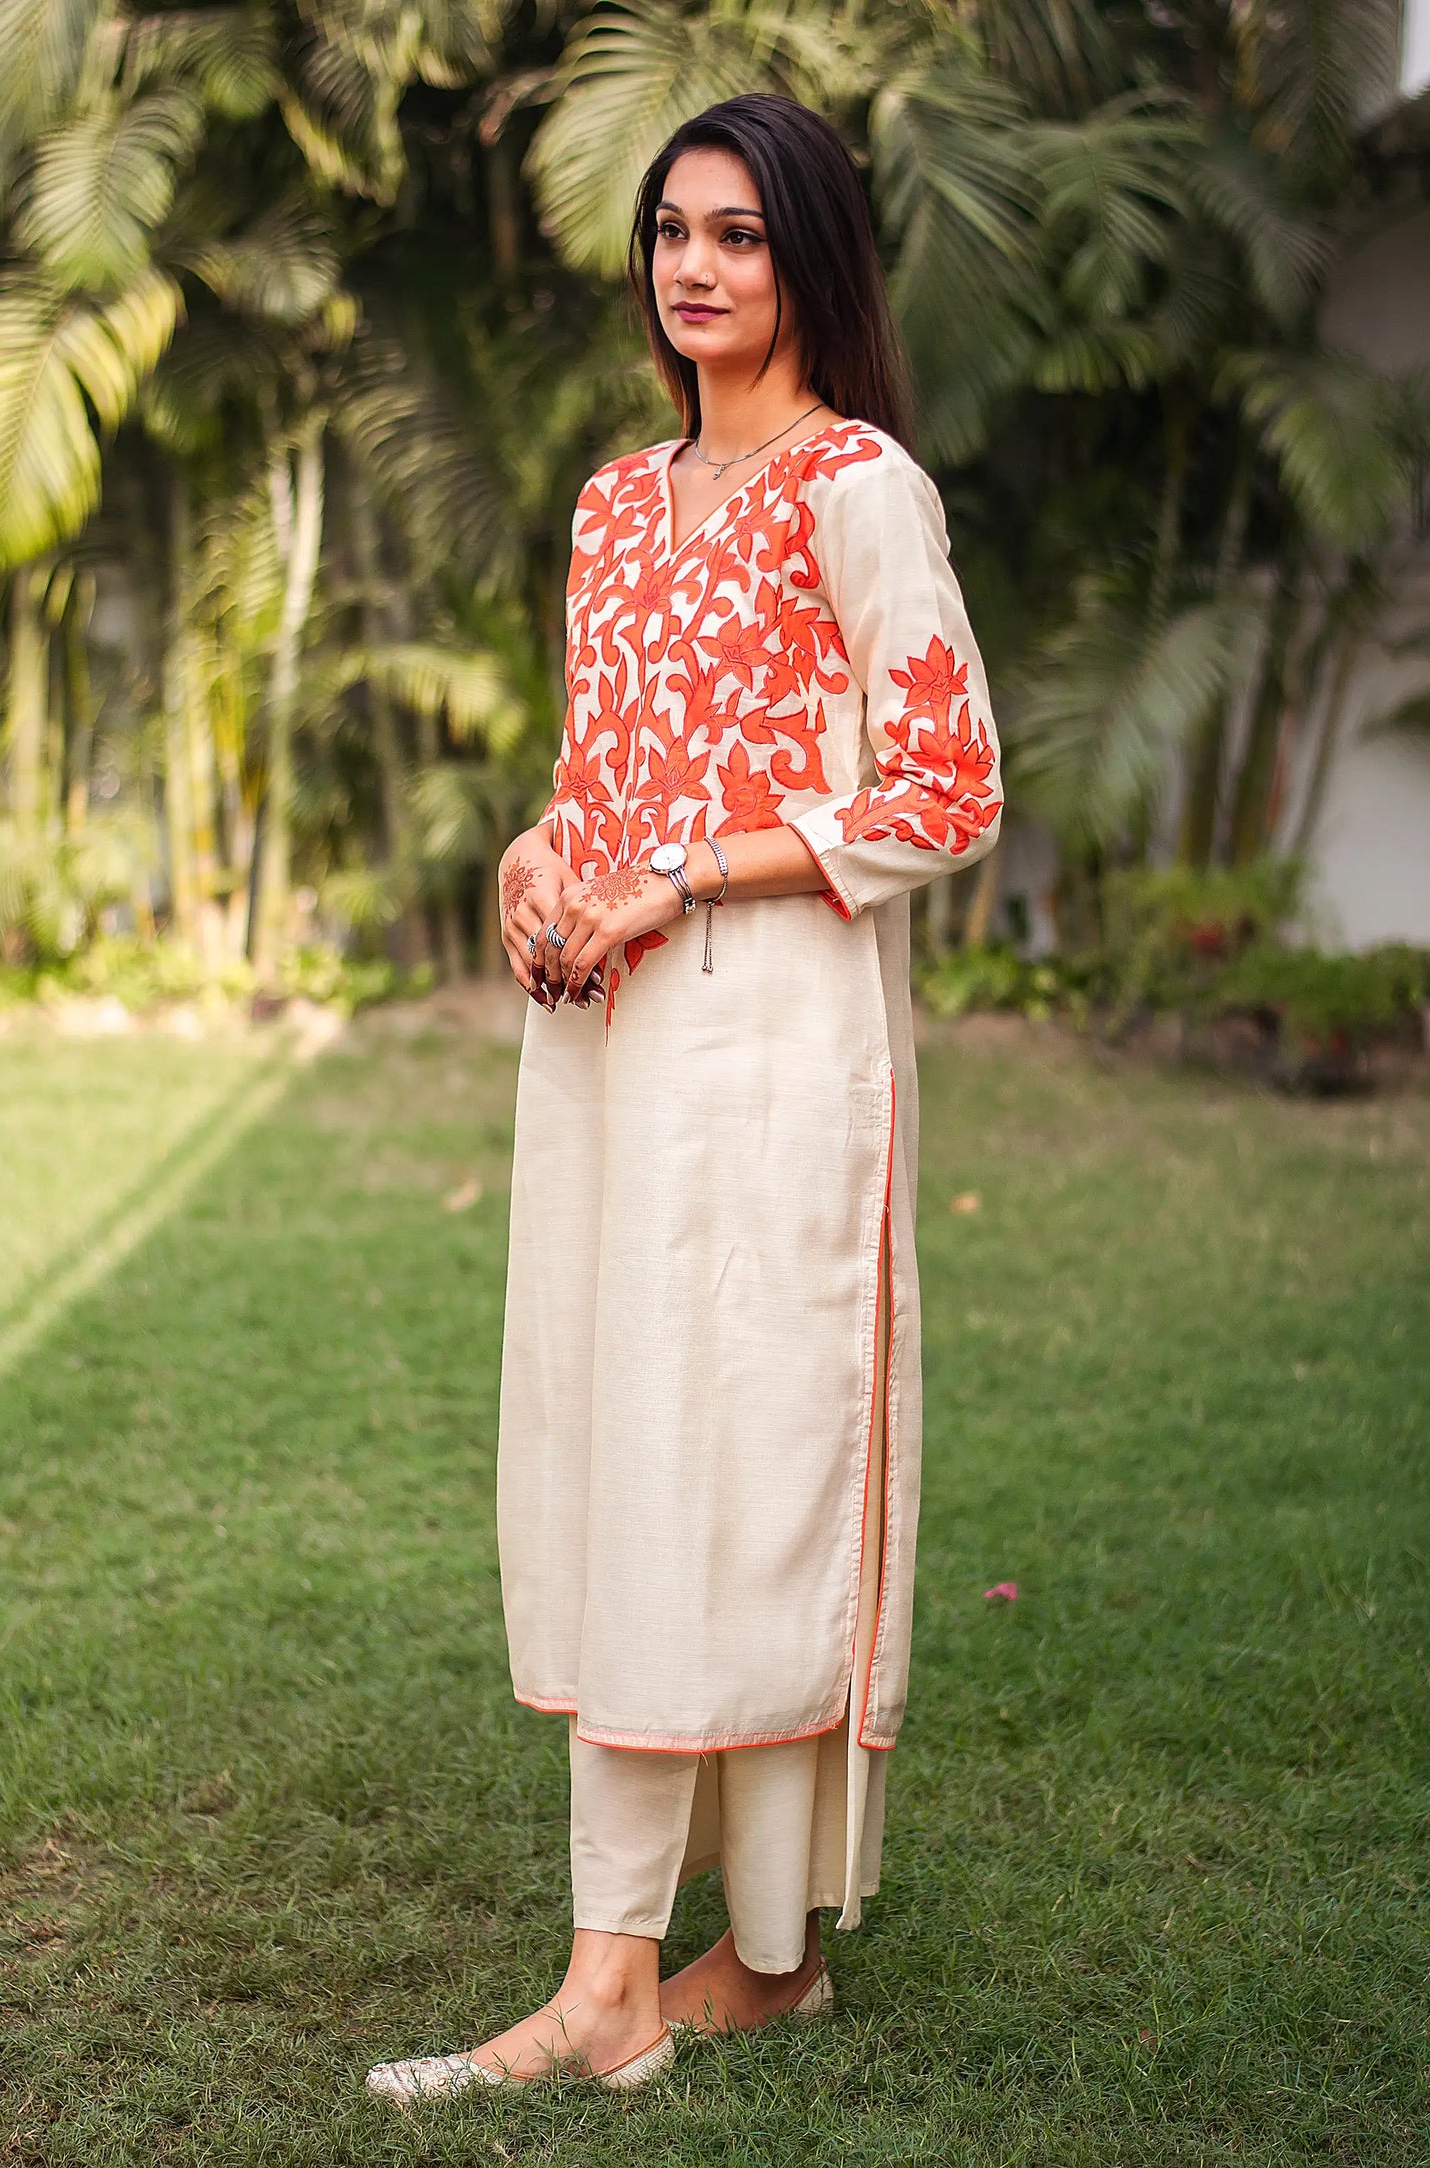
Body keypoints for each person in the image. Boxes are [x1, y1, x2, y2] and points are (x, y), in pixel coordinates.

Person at [367, 89, 1002, 2105]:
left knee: (734, 1463)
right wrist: (540, 863)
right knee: (626, 1453)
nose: (695, 266)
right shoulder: (614, 504)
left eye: (737, 231)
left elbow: (947, 784)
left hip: (774, 1041)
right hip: (613, 1032)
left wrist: (684, 876)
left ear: (808, 253)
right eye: (670, 231)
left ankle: (643, 1976)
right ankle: (716, 1962)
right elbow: (603, 766)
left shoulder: (862, 488)